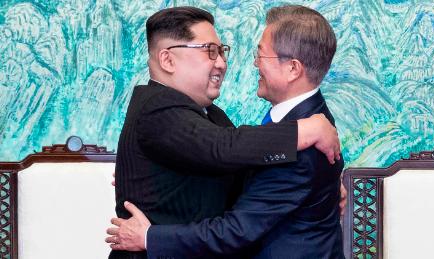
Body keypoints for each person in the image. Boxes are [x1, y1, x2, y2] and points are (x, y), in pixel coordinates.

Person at [107, 6, 343, 259]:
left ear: (293, 69)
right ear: (168, 59)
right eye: (210, 51)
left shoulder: (211, 114)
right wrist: (304, 131)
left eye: (221, 51)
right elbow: (221, 148)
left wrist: (323, 186)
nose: (222, 62)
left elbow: (234, 162)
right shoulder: (159, 108)